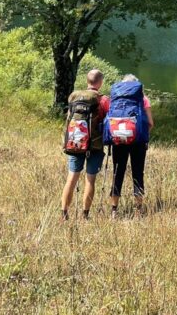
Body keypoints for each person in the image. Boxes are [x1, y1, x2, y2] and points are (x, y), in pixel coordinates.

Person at [101, 74, 154, 217]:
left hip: (119, 140)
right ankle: (138, 210)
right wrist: (142, 135)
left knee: (117, 173)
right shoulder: (143, 99)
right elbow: (150, 123)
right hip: (138, 142)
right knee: (138, 173)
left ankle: (114, 210)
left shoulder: (115, 98)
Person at [60, 69, 106, 221]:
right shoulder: (101, 99)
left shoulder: (73, 96)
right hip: (95, 145)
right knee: (90, 179)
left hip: (75, 142)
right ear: (100, 82)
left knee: (71, 178)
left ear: (87, 81)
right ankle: (85, 214)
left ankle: (64, 213)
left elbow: (69, 118)